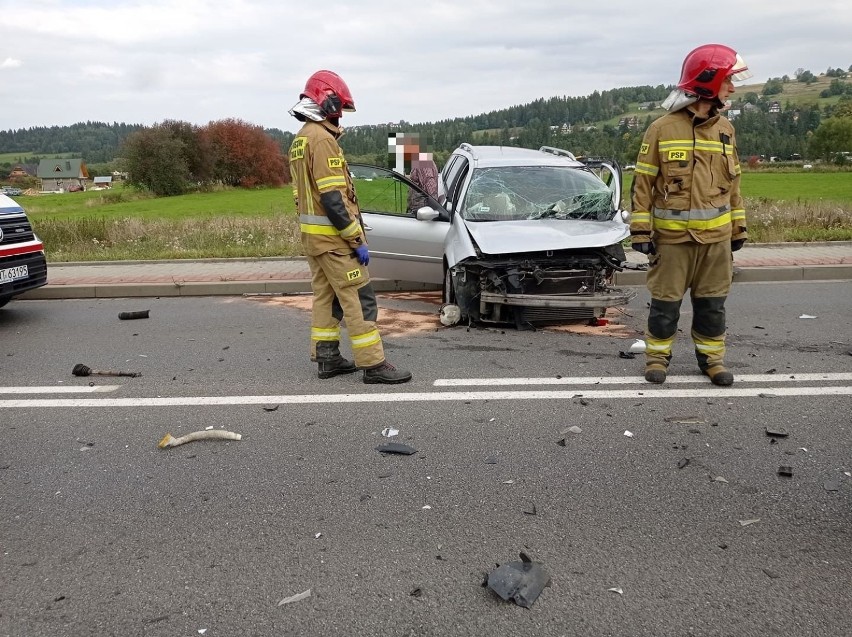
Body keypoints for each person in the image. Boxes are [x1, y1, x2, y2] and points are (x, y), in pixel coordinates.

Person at [630, 44, 751, 386]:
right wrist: (640, 231)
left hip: (715, 242)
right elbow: (643, 183)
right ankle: (657, 359)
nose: (733, 87)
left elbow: (734, 184)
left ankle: (712, 361)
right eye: (729, 80)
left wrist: (738, 227)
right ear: (709, 82)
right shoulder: (661, 129)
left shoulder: (726, 129)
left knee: (712, 306)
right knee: (665, 307)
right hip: (672, 241)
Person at [288, 70, 412, 384]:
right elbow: (333, 199)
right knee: (360, 298)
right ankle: (374, 364)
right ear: (325, 101)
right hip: (334, 241)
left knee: (325, 298)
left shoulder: (300, 140)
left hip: (314, 240)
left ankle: (328, 359)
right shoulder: (322, 139)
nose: (340, 114)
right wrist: (356, 239)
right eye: (338, 106)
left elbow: (304, 197)